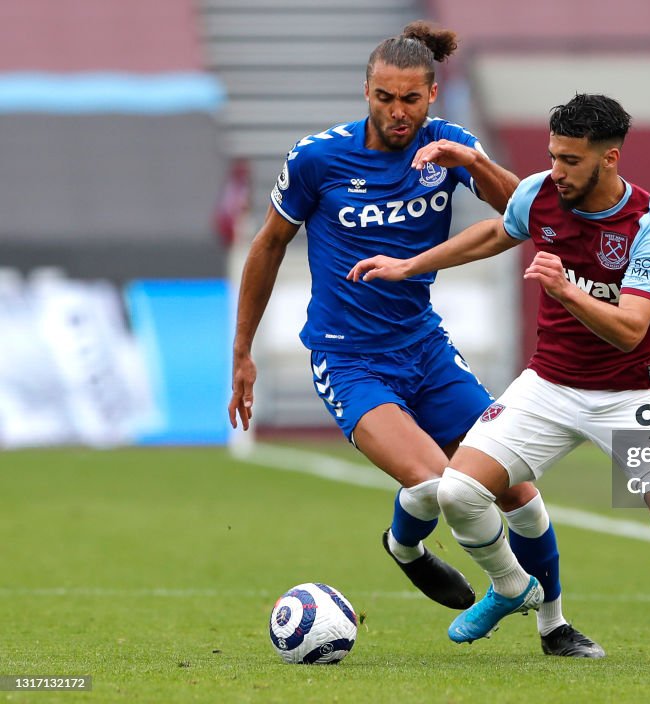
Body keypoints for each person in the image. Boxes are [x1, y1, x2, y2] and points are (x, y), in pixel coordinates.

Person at [349, 93, 650, 667]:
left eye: (570, 160)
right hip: (549, 386)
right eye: (553, 156)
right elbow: (498, 232)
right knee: (459, 491)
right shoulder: (539, 193)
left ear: (609, 158)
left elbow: (632, 329)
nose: (556, 171)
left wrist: (566, 288)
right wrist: (410, 265)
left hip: (632, 395)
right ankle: (512, 587)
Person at [227, 21, 601, 657]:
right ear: (365, 91)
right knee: (438, 484)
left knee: (518, 490)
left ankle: (554, 626)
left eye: (409, 99)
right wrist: (242, 352)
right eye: (383, 97)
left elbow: (532, 217)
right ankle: (472, 570)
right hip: (348, 359)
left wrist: (475, 162)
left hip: (425, 350)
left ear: (432, 96)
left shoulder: (447, 146)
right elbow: (267, 245)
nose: (396, 112)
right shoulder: (318, 158)